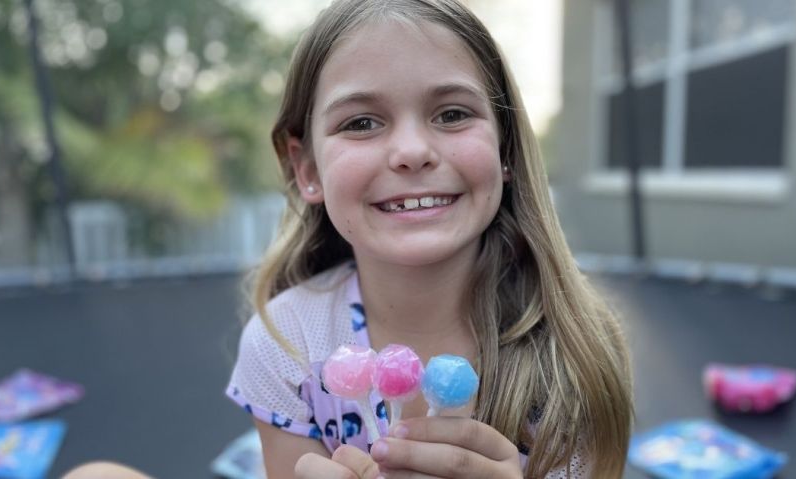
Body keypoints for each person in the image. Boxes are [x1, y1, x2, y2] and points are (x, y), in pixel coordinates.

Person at [225, 1, 634, 478]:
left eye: (453, 114)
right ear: (308, 169)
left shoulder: (575, 354)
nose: (413, 152)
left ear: (505, 149)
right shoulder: (285, 344)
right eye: (361, 122)